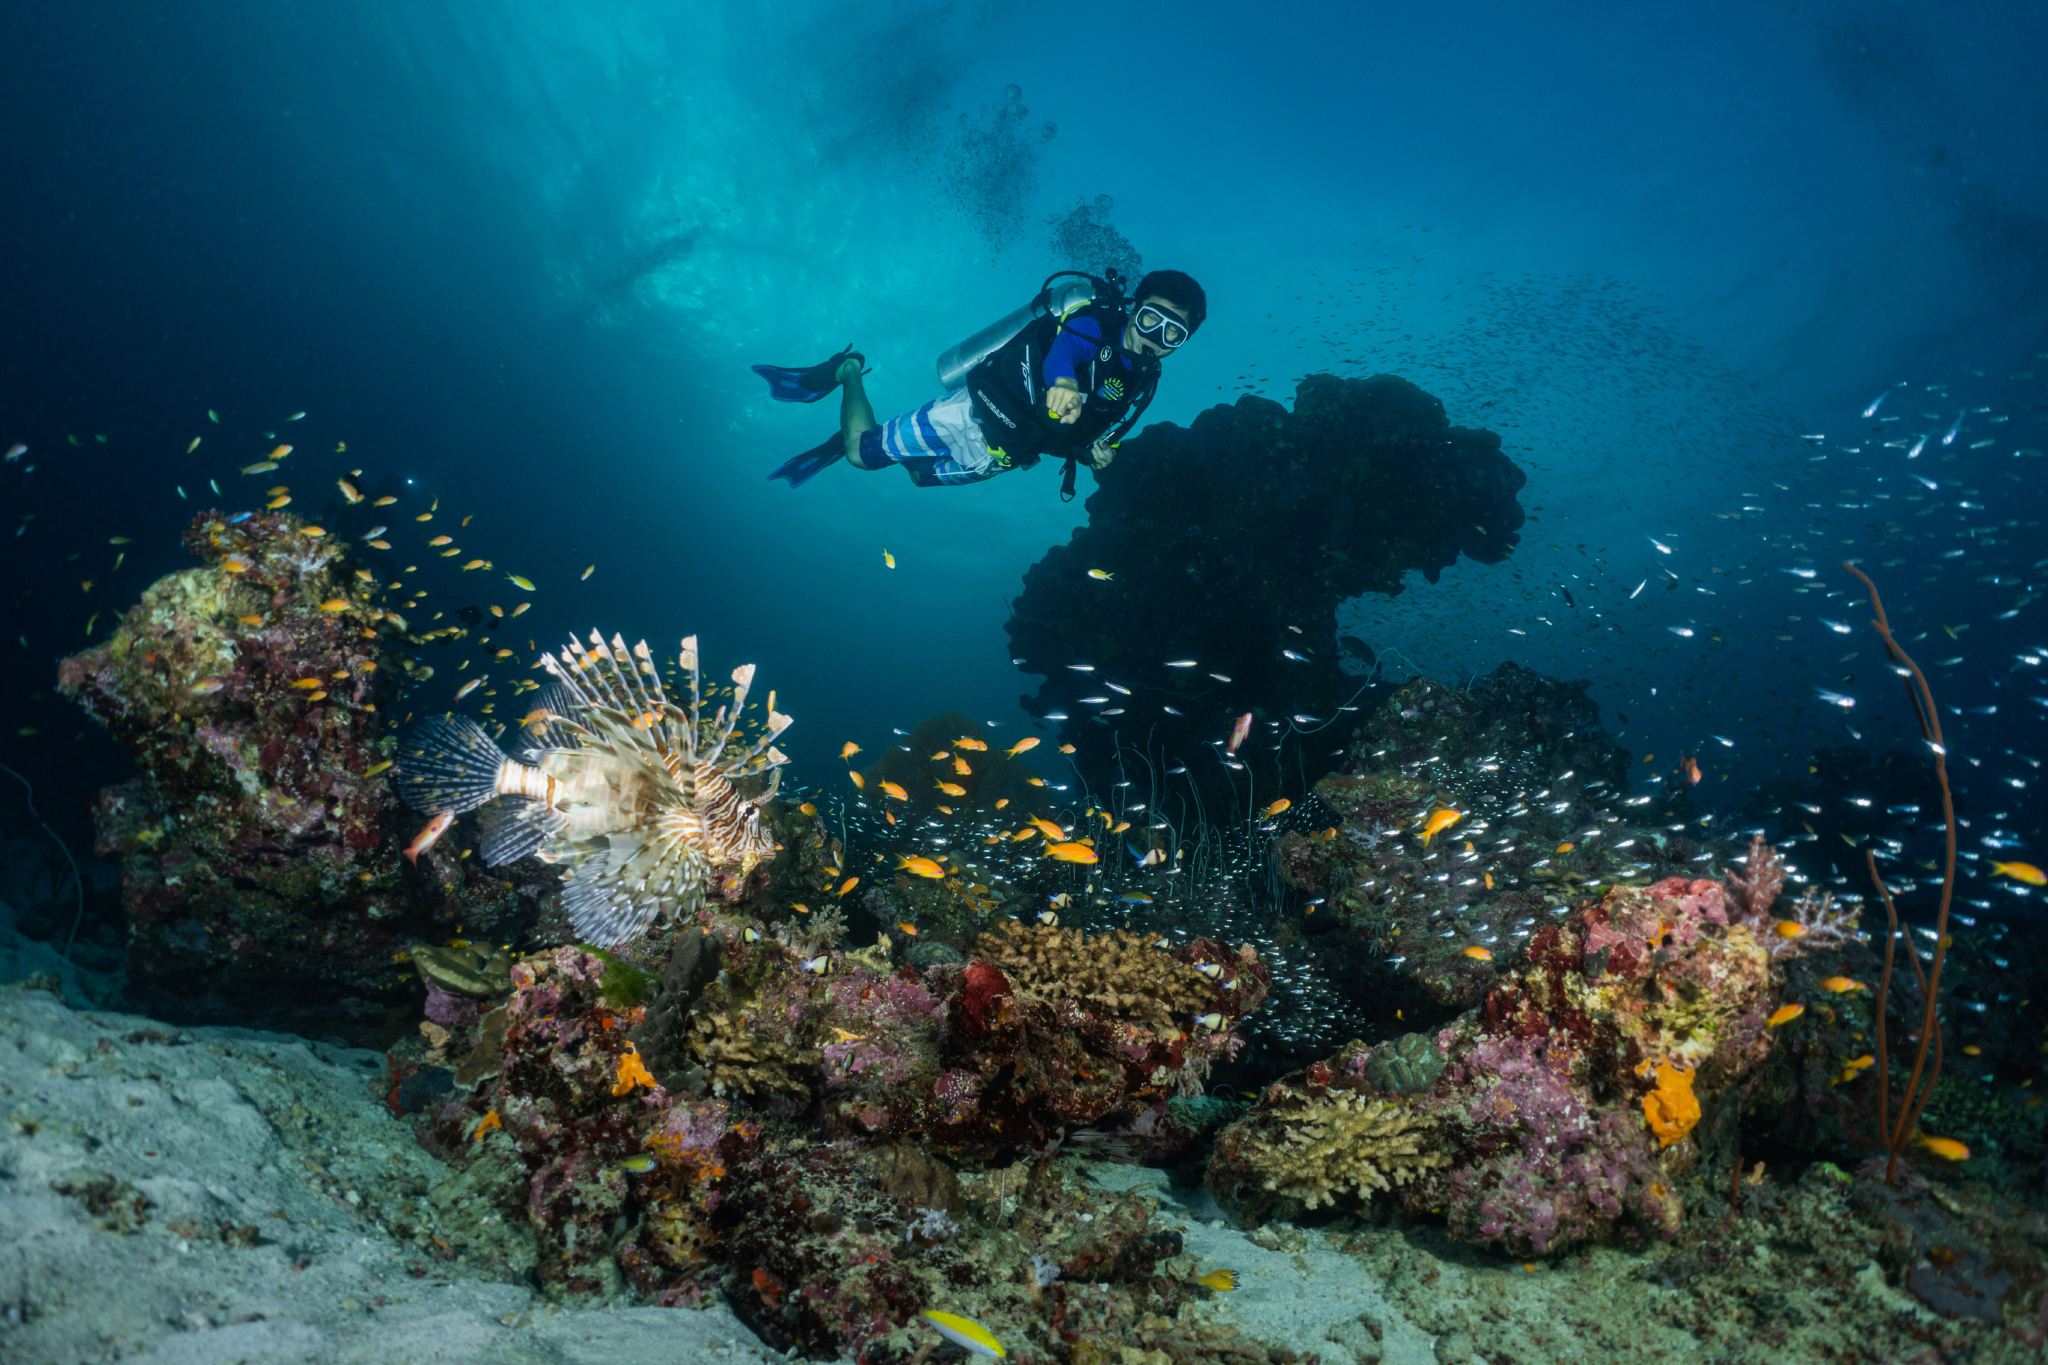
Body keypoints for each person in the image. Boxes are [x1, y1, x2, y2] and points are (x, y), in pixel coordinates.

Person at [755, 269, 1206, 496]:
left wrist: (1091, 453)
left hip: (1005, 454)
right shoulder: (1093, 326)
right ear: (1133, 309)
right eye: (1150, 318)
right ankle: (848, 369)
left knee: (918, 477)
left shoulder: (1143, 383)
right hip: (971, 413)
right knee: (861, 457)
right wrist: (1063, 381)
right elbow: (1067, 352)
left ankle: (864, 435)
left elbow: (1084, 430)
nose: (1154, 338)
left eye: (1172, 333)